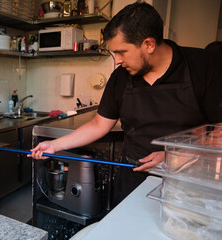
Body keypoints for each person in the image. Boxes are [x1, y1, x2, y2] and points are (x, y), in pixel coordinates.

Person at [29, 2, 222, 206]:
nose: (117, 61)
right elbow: (99, 124)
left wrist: (174, 157)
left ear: (148, 44)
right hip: (132, 180)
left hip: (187, 181)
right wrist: (55, 145)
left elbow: (219, 131)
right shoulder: (121, 77)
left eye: (122, 52)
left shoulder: (205, 67)